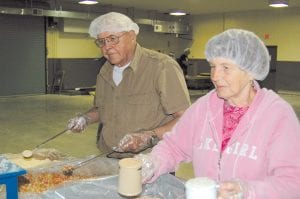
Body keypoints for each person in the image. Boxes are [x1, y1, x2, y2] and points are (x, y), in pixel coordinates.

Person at [136, 29, 300, 198]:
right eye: (213, 66)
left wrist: (248, 192)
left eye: (225, 68)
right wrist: (153, 162)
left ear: (250, 71)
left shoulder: (277, 115)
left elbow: (293, 182)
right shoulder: (204, 107)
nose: (215, 76)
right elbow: (174, 146)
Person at [67, 12, 190, 157]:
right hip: (109, 155)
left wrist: (149, 136)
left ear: (132, 36)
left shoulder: (162, 66)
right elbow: (106, 109)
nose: (107, 47)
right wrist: (86, 118)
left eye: (113, 39)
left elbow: (187, 118)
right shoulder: (105, 71)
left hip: (151, 163)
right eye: (101, 41)